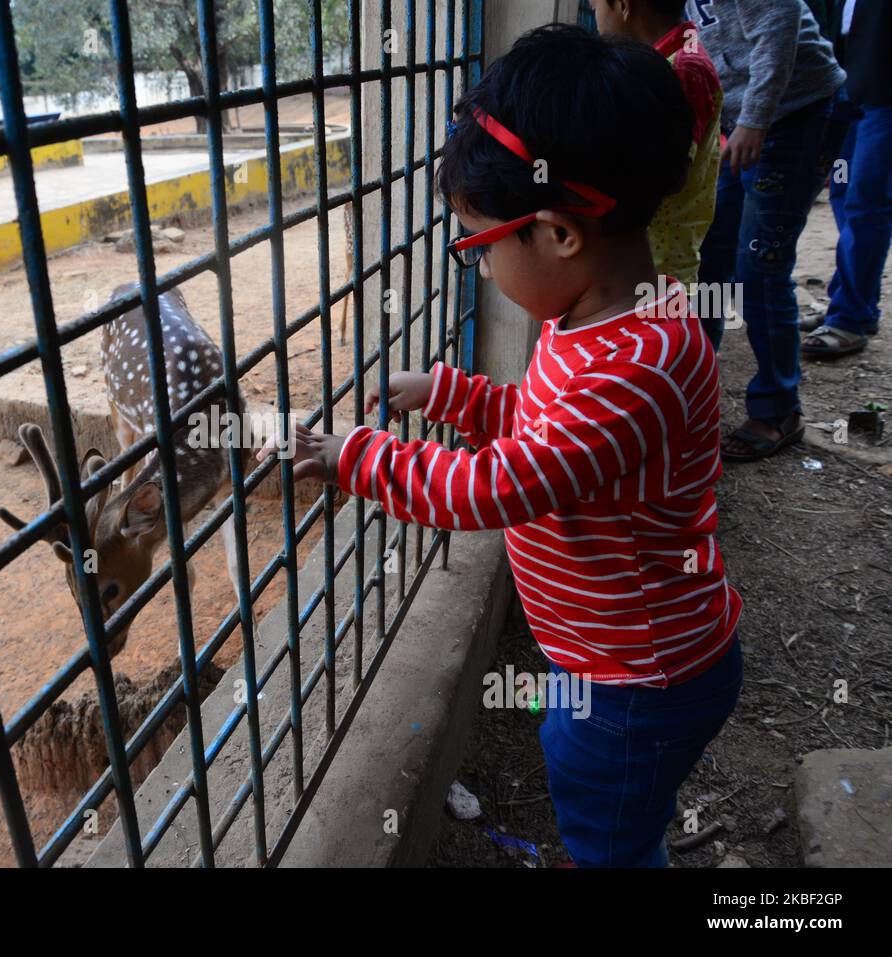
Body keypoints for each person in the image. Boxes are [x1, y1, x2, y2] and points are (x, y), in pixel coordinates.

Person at [260, 24, 742, 868]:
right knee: (615, 819)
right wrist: (456, 394)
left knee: (608, 842)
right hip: (614, 663)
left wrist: (358, 457)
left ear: (557, 233)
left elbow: (504, 484)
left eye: (479, 246)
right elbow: (549, 425)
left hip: (635, 681)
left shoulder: (639, 361)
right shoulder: (605, 318)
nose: (478, 268)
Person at [694, 0, 846, 461]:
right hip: (741, 119)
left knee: (759, 267)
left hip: (797, 113)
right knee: (710, 254)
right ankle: (694, 387)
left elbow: (777, 30)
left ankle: (779, 409)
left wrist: (754, 120)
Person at [592, 0, 722, 293]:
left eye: (596, 6)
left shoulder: (681, 70)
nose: (596, 18)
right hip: (652, 253)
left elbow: (669, 173)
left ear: (623, 5)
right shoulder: (669, 61)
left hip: (657, 260)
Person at [801, 0, 892, 359]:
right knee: (841, 192)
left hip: (884, 101)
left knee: (865, 202)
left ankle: (849, 318)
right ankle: (855, 302)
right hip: (847, 97)